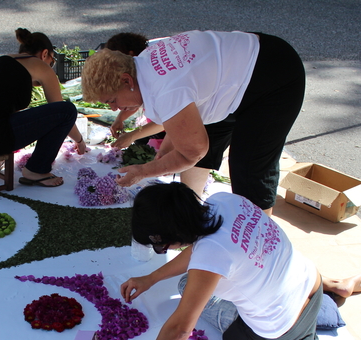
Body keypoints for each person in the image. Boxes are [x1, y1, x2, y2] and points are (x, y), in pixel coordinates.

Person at [120, 182, 361, 340]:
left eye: (163, 246)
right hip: (310, 281)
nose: (167, 251)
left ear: (172, 235)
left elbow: (179, 329)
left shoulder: (211, 256)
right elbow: (200, 252)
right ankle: (334, 285)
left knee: (190, 289)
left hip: (280, 331)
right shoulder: (223, 201)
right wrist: (150, 278)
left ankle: (318, 314)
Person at [82, 30, 305, 212]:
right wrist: (165, 150)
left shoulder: (164, 90)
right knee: (207, 131)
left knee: (249, 168)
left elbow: (193, 151)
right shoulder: (141, 63)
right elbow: (179, 114)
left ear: (126, 80)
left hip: (274, 76)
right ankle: (190, 211)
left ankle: (259, 245)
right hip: (234, 76)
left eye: (112, 100)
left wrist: (144, 171)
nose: (113, 108)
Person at [0, 28, 87, 188]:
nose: (50, 67)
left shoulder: (1, 61)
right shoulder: (40, 66)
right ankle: (36, 170)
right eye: (52, 62)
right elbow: (60, 111)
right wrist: (79, 141)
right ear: (45, 54)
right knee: (67, 110)